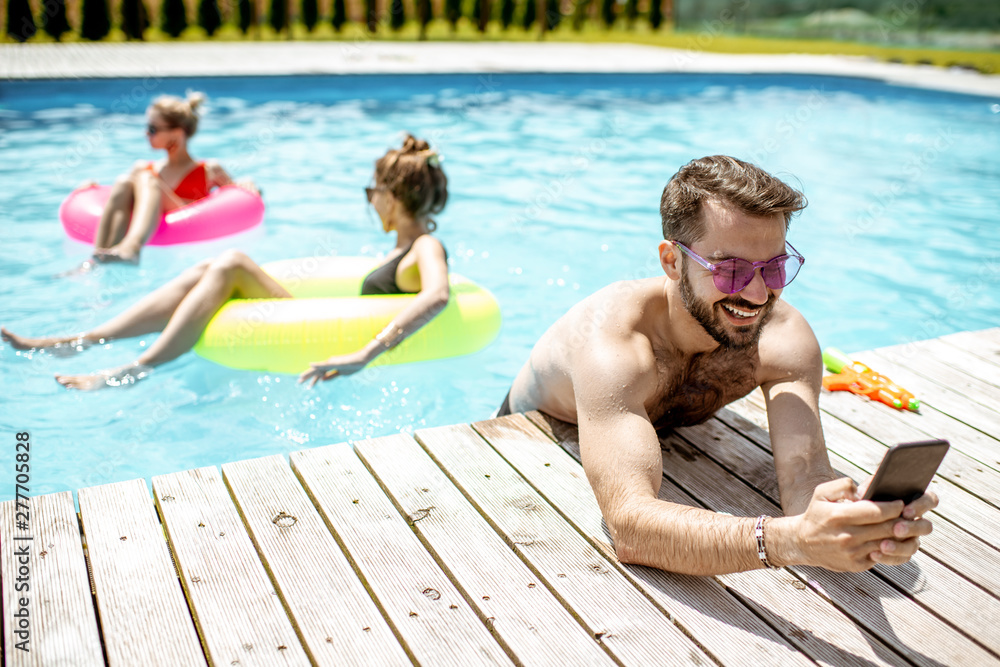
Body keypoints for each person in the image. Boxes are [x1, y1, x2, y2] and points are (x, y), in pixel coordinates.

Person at [498, 155, 937, 577]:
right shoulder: (615, 345)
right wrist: (792, 541)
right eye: (731, 271)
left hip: (647, 426)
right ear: (672, 261)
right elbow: (630, 527)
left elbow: (805, 477)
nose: (758, 294)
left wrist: (856, 524)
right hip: (526, 435)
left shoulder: (783, 340)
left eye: (775, 268)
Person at [3, 135, 449, 391]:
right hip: (319, 320)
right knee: (209, 268)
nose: (371, 203)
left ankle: (133, 371)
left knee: (232, 262)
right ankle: (84, 339)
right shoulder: (400, 249)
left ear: (393, 197)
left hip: (341, 340)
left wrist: (366, 353)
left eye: (373, 193)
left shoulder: (425, 247)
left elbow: (437, 296)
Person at [83, 92, 247, 265]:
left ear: (177, 133)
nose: (146, 133)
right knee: (124, 181)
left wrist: (245, 186)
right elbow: (118, 201)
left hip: (186, 223)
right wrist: (93, 189)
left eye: (153, 129)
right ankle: (95, 259)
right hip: (152, 222)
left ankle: (132, 249)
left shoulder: (209, 170)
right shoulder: (143, 168)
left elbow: (237, 201)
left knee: (146, 177)